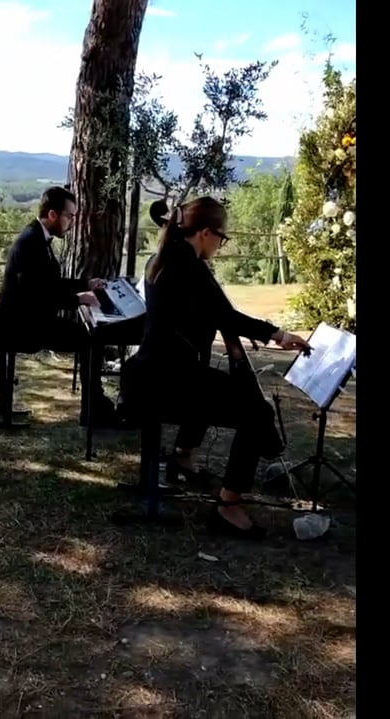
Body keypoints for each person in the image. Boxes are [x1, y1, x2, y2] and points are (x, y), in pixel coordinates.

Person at [121, 197, 311, 539]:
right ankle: (228, 507)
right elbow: (225, 315)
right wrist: (278, 335)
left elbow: (206, 312)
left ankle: (185, 458)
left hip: (149, 373)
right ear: (205, 233)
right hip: (164, 381)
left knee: (220, 388)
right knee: (256, 412)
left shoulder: (165, 258)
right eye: (221, 238)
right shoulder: (187, 267)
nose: (220, 246)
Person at [0, 186, 116, 423]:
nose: (72, 222)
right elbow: (36, 295)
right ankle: (93, 410)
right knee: (89, 339)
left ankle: (94, 406)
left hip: (29, 318)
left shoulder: (37, 237)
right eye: (69, 216)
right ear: (52, 214)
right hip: (20, 325)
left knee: (87, 337)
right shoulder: (31, 243)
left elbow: (49, 284)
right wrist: (78, 299)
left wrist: (86, 284)